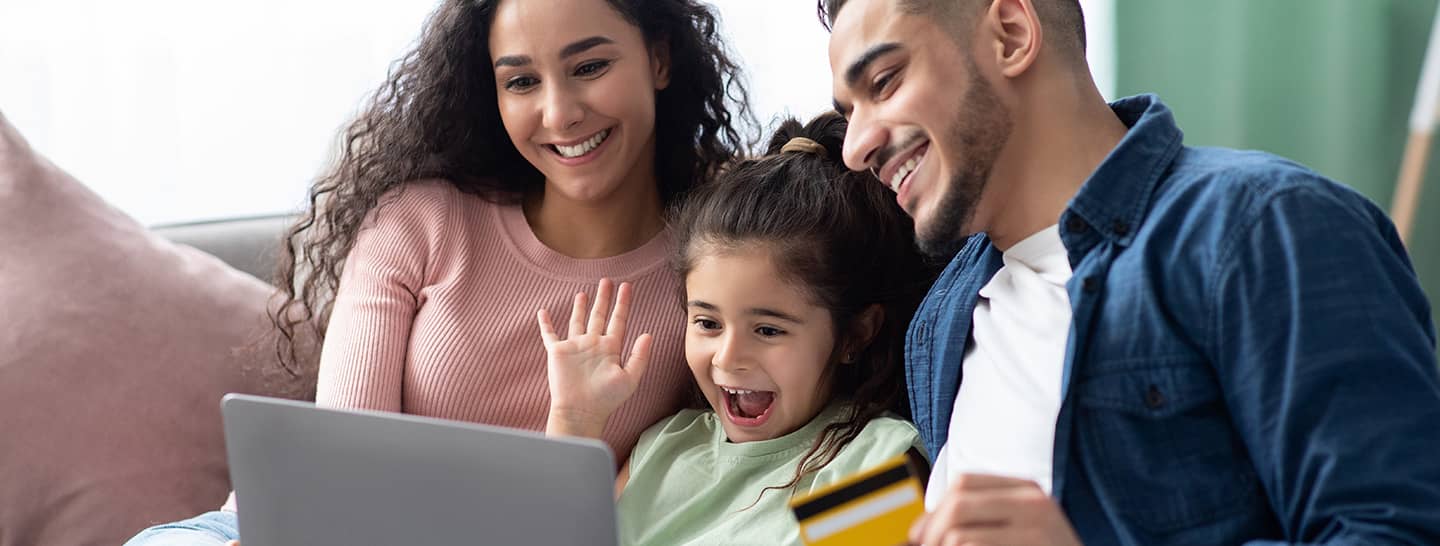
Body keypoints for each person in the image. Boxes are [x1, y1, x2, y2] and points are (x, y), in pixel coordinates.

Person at [123, 0, 751, 544]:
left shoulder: (713, 268)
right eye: (522, 82)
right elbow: (339, 472)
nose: (559, 114)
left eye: (589, 67)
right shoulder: (419, 220)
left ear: (660, 60)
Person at [819, 0, 1440, 544]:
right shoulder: (940, 320)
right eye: (848, 112)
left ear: (1010, 34)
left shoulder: (1264, 228)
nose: (855, 148)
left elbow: (1397, 529)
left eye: (884, 81)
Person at [539, 112, 937, 545]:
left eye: (768, 330)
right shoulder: (664, 448)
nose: (727, 357)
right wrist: (573, 423)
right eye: (708, 323)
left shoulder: (876, 462)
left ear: (855, 334)